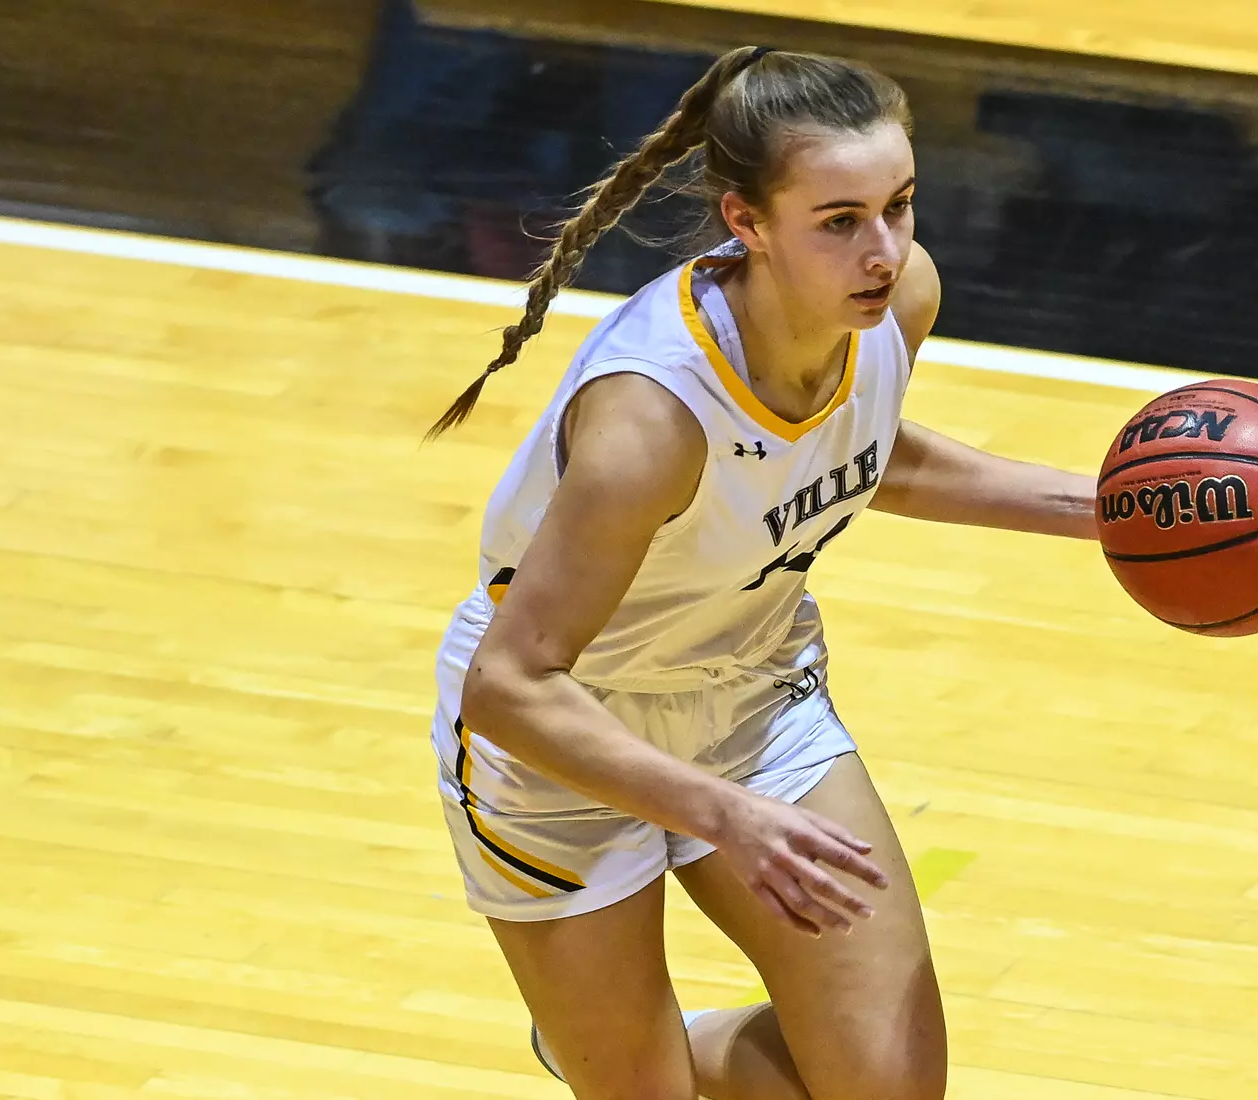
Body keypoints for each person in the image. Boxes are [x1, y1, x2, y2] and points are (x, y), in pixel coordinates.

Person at [425, 45, 1100, 1100]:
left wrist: (1103, 509)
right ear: (747, 222)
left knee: (885, 1087)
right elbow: (509, 685)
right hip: (563, 736)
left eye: (901, 205)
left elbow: (861, 450)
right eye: (840, 221)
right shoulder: (650, 421)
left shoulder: (897, 300)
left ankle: (643, 1033)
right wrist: (720, 815)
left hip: (749, 694)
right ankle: (613, 1041)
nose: (884, 250)